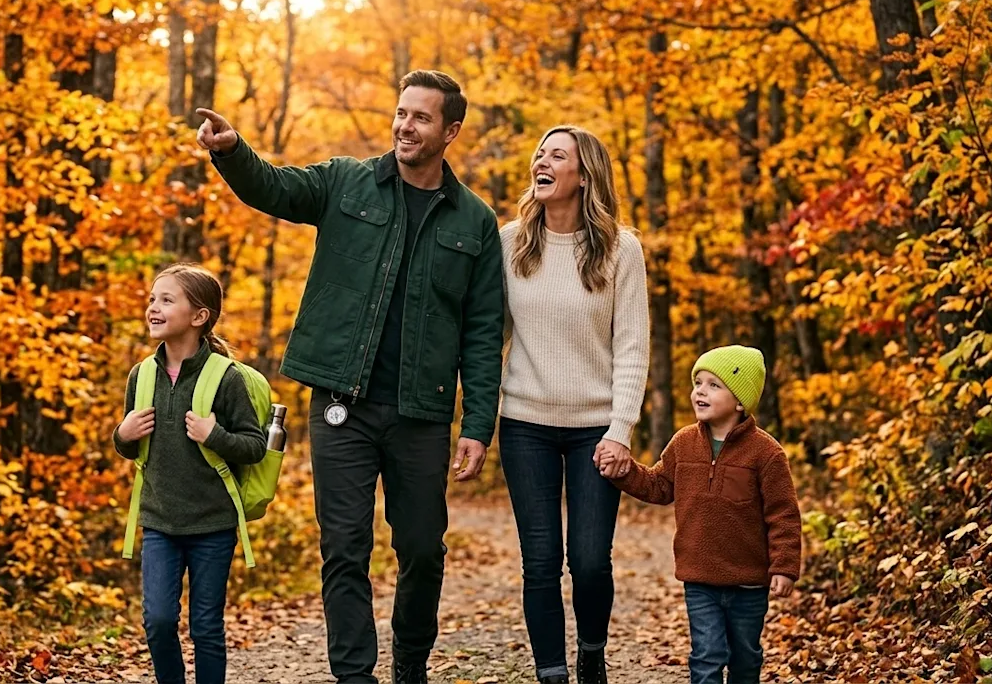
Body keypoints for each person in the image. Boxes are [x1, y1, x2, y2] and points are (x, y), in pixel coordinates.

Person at [193, 69, 505, 684]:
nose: (405, 125)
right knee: (344, 546)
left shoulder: (474, 222)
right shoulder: (345, 181)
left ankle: (410, 666)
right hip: (342, 402)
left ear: (451, 131)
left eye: (421, 117)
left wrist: (478, 423)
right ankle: (354, 676)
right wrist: (232, 152)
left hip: (421, 410)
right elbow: (276, 189)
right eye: (401, 113)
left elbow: (483, 331)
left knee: (421, 548)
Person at [497, 125, 651, 684]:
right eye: (539, 152)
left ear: (583, 176)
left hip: (595, 429)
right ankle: (551, 673)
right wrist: (475, 420)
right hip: (524, 426)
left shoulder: (620, 249)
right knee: (540, 561)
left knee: (588, 561)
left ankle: (591, 654)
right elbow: (491, 339)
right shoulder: (510, 242)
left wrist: (620, 430)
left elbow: (632, 347)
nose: (542, 160)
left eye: (556, 155)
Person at [600, 345, 802, 684]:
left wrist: (783, 566)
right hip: (700, 578)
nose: (700, 392)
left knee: (745, 657)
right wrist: (623, 472)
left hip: (749, 581)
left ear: (740, 401)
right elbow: (659, 485)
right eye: (698, 383)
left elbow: (783, 514)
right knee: (706, 656)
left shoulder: (766, 454)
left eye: (713, 385)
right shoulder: (683, 443)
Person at [113, 264, 268, 684]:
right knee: (159, 621)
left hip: (213, 524)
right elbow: (130, 447)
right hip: (160, 521)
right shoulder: (142, 375)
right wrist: (122, 434)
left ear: (199, 317)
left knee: (205, 629)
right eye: (152, 299)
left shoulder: (227, 378)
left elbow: (254, 447)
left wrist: (213, 434)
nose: (153, 308)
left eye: (166, 300)